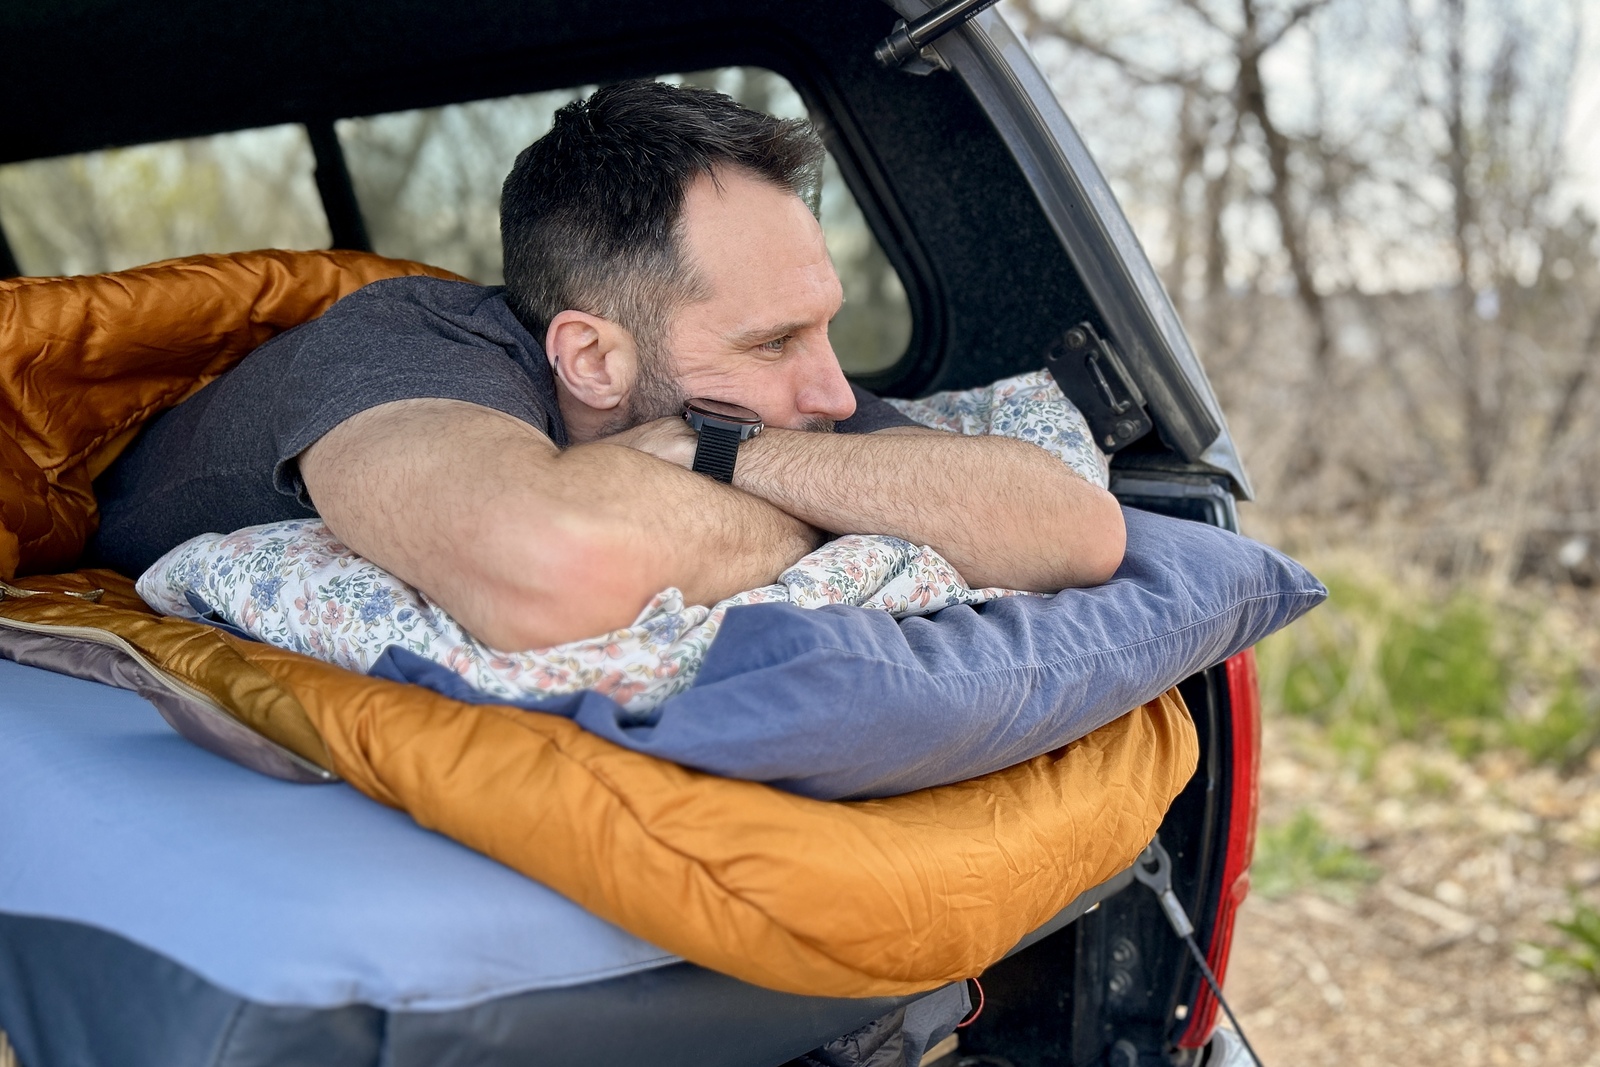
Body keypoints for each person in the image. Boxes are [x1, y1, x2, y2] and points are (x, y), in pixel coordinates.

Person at [91, 80, 1124, 652]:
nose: (833, 392)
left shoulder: (760, 415)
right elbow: (556, 568)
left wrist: (724, 453)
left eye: (821, 328)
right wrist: (824, 490)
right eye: (772, 341)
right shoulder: (402, 351)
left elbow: (1075, 525)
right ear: (590, 355)